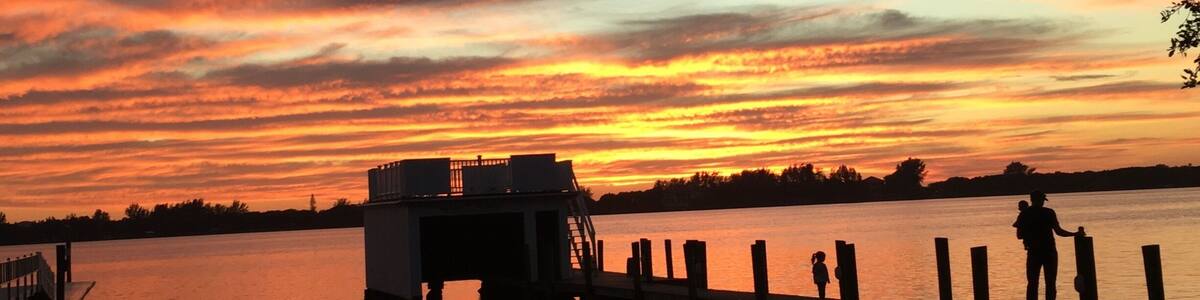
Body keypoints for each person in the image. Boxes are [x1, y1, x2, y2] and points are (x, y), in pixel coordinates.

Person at [1012, 191, 1083, 300]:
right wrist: (1074, 234)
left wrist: (1029, 231)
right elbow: (1059, 232)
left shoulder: (1024, 214)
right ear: (1041, 200)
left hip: (1033, 252)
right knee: (1050, 283)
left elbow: (1019, 236)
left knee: (1032, 283)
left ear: (1031, 199)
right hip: (1049, 251)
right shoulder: (1049, 212)